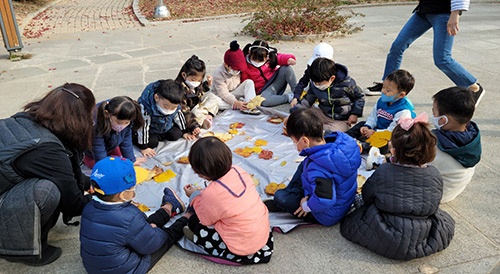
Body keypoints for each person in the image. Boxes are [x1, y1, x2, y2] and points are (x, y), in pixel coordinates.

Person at [0, 83, 95, 266]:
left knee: (51, 183)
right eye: (89, 115)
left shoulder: (27, 119)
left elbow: (65, 173)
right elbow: (73, 204)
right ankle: (26, 250)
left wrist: (91, 182)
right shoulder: (47, 149)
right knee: (46, 190)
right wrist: (109, 201)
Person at [340, 113, 455, 260]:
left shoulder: (384, 171)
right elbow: (433, 204)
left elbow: (367, 196)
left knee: (357, 205)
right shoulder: (434, 173)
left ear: (393, 150)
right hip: (424, 231)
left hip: (384, 229)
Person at [80, 156, 191, 273]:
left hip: (95, 268)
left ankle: (168, 209)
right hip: (127, 269)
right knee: (165, 237)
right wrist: (157, 232)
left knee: (140, 228)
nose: (134, 189)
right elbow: (152, 244)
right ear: (122, 195)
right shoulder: (130, 216)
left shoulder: (88, 207)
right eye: (133, 187)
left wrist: (148, 229)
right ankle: (186, 217)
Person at [365, 0, 485, 107]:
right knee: (397, 47)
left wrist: (455, 13)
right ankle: (387, 85)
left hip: (444, 13)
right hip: (423, 12)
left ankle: (473, 87)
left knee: (442, 59)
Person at [183, 137, 273, 265]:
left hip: (240, 246)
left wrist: (194, 196)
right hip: (261, 235)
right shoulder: (239, 170)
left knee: (194, 221)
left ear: (201, 173)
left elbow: (205, 220)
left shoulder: (211, 193)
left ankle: (198, 238)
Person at [266, 108, 361, 226]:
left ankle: (289, 197)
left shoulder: (318, 169)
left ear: (305, 141)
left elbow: (325, 200)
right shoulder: (342, 140)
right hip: (344, 198)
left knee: (281, 197)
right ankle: (294, 192)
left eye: (293, 140)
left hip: (325, 214)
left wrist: (307, 206)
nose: (293, 144)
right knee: (304, 165)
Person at [430, 86, 481, 203]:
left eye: (434, 112)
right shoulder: (471, 135)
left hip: (435, 195)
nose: (432, 115)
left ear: (443, 120)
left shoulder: (436, 148)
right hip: (452, 190)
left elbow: (411, 165)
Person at [347, 69, 416, 151]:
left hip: (389, 135)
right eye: (383, 87)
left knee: (386, 144)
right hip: (377, 129)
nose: (383, 91)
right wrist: (367, 126)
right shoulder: (382, 101)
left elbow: (393, 131)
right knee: (361, 124)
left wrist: (375, 132)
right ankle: (343, 137)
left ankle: (362, 147)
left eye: (388, 90)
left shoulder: (404, 111)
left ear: (401, 95)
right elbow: (374, 116)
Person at [291, 57, 365, 132]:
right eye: (315, 83)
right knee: (303, 116)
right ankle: (317, 128)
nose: (317, 85)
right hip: (322, 114)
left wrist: (355, 114)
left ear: (332, 78)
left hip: (341, 120)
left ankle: (317, 128)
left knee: (333, 132)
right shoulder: (315, 86)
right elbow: (307, 100)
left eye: (319, 83)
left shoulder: (347, 84)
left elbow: (359, 97)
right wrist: (294, 114)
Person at [134, 79, 198, 157]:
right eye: (165, 106)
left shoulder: (175, 105)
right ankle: (136, 138)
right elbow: (143, 126)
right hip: (151, 130)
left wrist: (185, 131)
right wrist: (144, 147)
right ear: (156, 97)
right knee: (152, 143)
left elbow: (179, 115)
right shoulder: (146, 108)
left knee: (176, 134)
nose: (169, 110)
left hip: (166, 126)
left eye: (173, 108)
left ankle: (162, 135)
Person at [84, 96, 146, 168]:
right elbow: (98, 147)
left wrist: (131, 160)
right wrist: (105, 166)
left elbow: (126, 142)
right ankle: (84, 157)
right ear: (107, 114)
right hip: (91, 150)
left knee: (119, 159)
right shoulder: (96, 125)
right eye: (119, 122)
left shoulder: (127, 121)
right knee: (96, 165)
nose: (123, 126)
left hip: (110, 144)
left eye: (126, 122)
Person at [241, 40, 297, 107]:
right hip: (262, 91)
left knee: (286, 68)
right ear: (249, 52)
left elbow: (281, 57)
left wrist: (289, 59)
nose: (257, 61)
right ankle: (288, 97)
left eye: (261, 59)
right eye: (255, 59)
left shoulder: (271, 58)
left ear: (267, 56)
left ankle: (297, 92)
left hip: (275, 82)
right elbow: (245, 82)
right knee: (264, 101)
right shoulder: (244, 64)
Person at [212, 40, 260, 115]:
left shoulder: (238, 71)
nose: (236, 71)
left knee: (249, 82)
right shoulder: (218, 74)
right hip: (222, 96)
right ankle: (239, 106)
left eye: (238, 70)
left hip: (235, 93)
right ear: (226, 65)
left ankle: (250, 105)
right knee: (215, 102)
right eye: (234, 69)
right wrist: (236, 103)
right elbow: (224, 93)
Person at [175, 55, 219, 129]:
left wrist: (207, 85)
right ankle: (203, 120)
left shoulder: (196, 84)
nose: (196, 82)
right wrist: (194, 126)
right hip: (189, 110)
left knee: (213, 97)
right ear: (184, 75)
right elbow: (184, 112)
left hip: (197, 105)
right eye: (193, 80)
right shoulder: (179, 90)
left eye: (199, 81)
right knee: (196, 114)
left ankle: (208, 115)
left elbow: (201, 91)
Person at [291, 42, 334, 108]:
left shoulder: (333, 71)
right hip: (313, 92)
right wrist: (296, 97)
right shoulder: (311, 68)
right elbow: (303, 81)